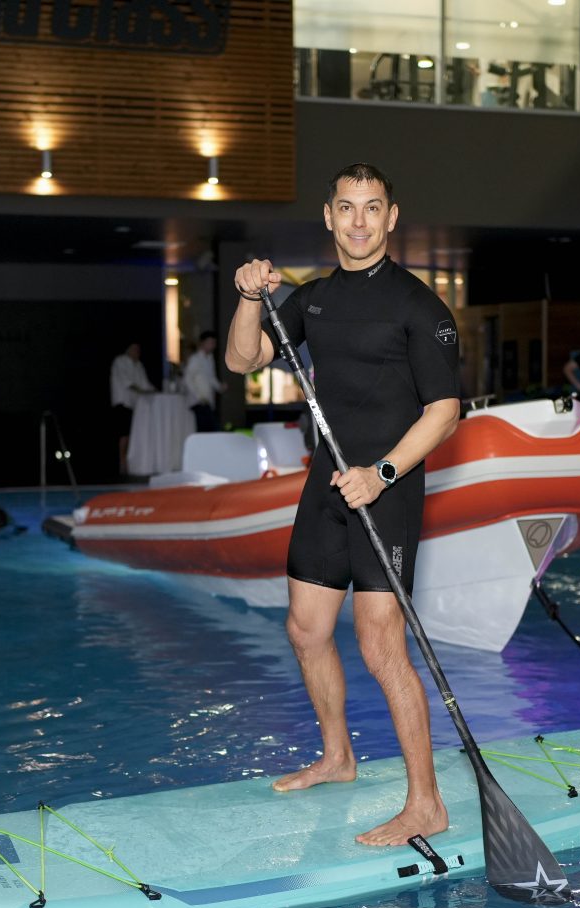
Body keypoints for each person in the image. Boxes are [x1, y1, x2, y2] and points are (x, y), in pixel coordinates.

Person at [227, 162, 461, 847]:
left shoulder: (420, 306)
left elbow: (445, 412)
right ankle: (338, 758)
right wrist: (248, 296)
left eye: (373, 207)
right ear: (329, 216)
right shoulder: (315, 299)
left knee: (380, 645)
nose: (360, 221)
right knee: (305, 629)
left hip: (386, 491)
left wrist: (382, 473)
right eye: (347, 207)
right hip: (327, 485)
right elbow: (244, 360)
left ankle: (427, 804)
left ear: (392, 217)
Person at [109, 342, 154, 475]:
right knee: (124, 433)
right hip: (122, 402)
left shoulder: (139, 365)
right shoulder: (120, 361)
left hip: (135, 405)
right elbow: (127, 382)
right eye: (134, 349)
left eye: (138, 350)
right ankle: (122, 462)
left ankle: (130, 460)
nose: (137, 352)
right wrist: (142, 390)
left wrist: (154, 390)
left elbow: (144, 383)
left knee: (131, 433)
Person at [183, 330, 226, 432]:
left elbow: (211, 377)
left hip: (208, 401)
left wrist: (219, 387)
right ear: (203, 343)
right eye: (210, 343)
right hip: (199, 402)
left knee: (208, 429)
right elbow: (187, 379)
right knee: (207, 429)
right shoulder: (195, 359)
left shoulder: (209, 359)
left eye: (214, 343)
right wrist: (199, 396)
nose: (213, 346)